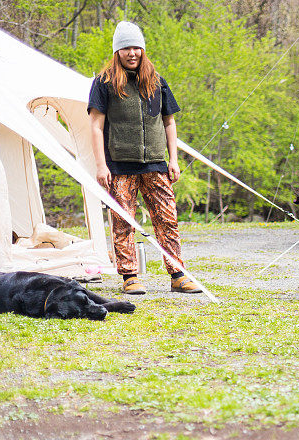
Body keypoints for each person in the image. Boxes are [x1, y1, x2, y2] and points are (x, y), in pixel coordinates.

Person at [88, 21, 200, 295]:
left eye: (136, 47)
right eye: (126, 47)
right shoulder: (104, 83)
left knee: (167, 219)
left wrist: (173, 160)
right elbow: (95, 125)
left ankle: (177, 274)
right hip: (119, 165)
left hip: (156, 164)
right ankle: (129, 277)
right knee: (124, 221)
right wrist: (101, 165)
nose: (132, 52)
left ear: (143, 49)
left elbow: (169, 122)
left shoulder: (157, 81)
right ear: (117, 51)